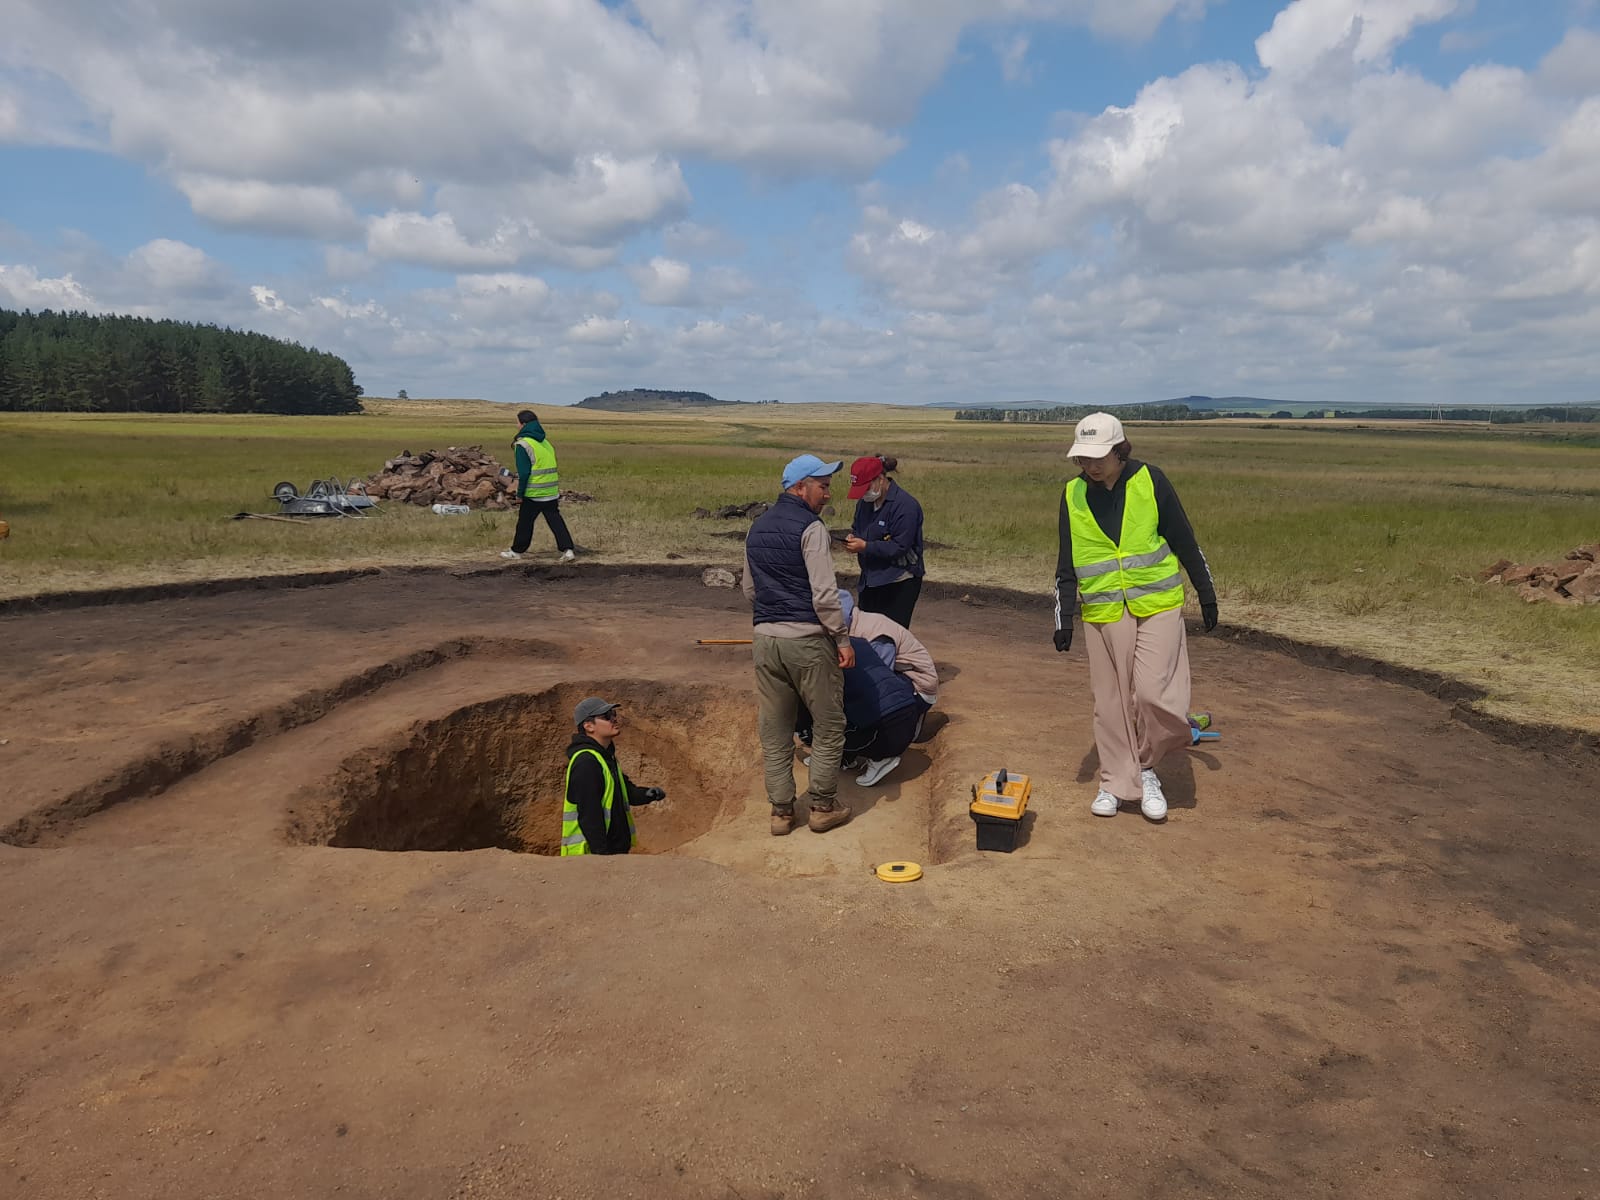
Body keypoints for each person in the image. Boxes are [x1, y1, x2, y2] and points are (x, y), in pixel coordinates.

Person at [1053, 413, 1218, 823]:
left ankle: (1144, 767)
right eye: (1083, 458)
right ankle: (1115, 781)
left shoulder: (1151, 480)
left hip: (1158, 604)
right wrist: (1064, 617)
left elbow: (1184, 540)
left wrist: (1206, 593)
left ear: (1119, 450)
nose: (1090, 466)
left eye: (1098, 457)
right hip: (1103, 611)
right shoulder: (1072, 494)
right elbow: (1066, 563)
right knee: (1110, 702)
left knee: (1152, 695)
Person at [741, 454, 857, 836]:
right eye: (822, 486)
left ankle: (781, 813)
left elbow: (749, 589)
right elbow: (825, 595)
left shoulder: (756, 528)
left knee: (775, 729)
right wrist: (842, 638)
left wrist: (772, 616)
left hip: (765, 640)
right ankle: (822, 806)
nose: (828, 493)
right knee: (829, 723)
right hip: (807, 641)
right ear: (799, 487)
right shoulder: (812, 528)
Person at [798, 591, 936, 787]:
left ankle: (880, 751)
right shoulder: (857, 626)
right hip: (901, 681)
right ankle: (848, 753)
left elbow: (879, 681)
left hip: (916, 685)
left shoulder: (875, 635)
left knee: (859, 701)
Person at [560, 697, 665, 855]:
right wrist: (602, 857)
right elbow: (589, 816)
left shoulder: (605, 757)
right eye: (607, 716)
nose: (614, 719)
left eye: (613, 713)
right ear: (588, 726)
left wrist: (646, 794)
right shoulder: (586, 763)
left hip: (612, 853)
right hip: (590, 857)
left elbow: (625, 792)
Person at [844, 454, 925, 627]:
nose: (863, 494)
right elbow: (858, 527)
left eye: (866, 488)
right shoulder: (864, 503)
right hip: (870, 580)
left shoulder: (906, 506)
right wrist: (853, 538)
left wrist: (865, 546)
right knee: (864, 632)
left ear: (880, 479)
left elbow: (899, 547)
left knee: (889, 636)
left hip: (898, 582)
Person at [501, 409, 576, 562]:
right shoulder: (545, 442)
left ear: (523, 424)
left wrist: (520, 494)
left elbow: (524, 473)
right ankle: (568, 550)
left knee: (525, 522)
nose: (516, 426)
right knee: (555, 521)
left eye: (517, 423)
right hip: (550, 490)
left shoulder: (522, 444)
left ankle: (516, 551)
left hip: (534, 492)